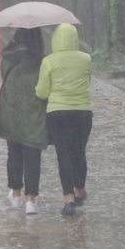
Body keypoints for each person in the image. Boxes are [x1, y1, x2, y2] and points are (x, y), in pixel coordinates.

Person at [35, 22, 92, 216]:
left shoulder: (49, 61)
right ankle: (79, 189)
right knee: (79, 151)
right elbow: (88, 82)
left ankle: (68, 199)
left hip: (57, 113)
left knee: (63, 154)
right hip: (82, 112)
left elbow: (42, 92)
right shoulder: (86, 59)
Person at [0, 27, 48, 215]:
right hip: (33, 111)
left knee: (14, 152)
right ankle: (30, 201)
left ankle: (16, 194)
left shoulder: (8, 56)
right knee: (32, 154)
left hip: (11, 109)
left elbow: (4, 77)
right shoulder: (40, 60)